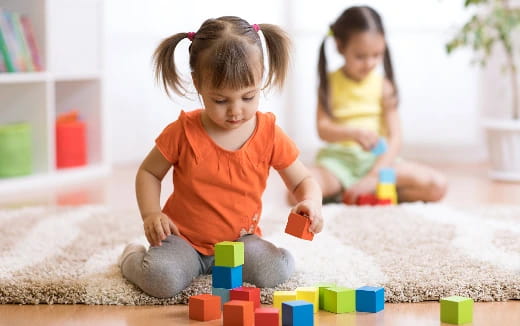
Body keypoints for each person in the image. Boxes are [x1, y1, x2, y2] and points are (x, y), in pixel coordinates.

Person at [118, 16, 323, 299]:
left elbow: (303, 179)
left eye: (248, 97)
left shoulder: (269, 133)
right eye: (220, 100)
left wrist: (311, 202)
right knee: (160, 279)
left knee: (273, 272)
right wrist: (151, 214)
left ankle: (265, 259)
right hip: (184, 241)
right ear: (198, 84)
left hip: (241, 241)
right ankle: (130, 256)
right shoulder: (182, 132)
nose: (236, 111)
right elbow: (149, 173)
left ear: (261, 77)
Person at [312, 6, 447, 204]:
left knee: (437, 185)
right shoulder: (329, 84)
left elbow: (395, 138)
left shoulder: (384, 86)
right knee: (298, 191)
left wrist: (374, 175)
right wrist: (352, 134)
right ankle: (351, 190)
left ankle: (369, 191)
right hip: (338, 164)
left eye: (376, 55)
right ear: (340, 47)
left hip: (380, 165)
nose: (369, 63)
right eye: (360, 56)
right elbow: (322, 129)